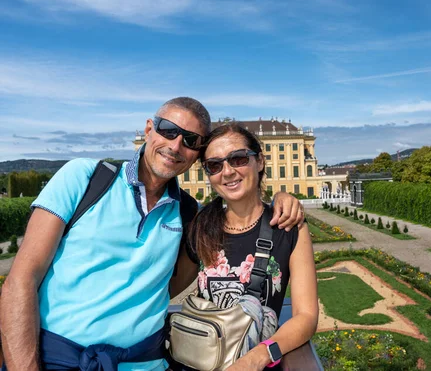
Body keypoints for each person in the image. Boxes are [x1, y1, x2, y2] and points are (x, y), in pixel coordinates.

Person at [0, 97, 304, 371]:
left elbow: (169, 287)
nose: (175, 145)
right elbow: (20, 280)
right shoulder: (84, 178)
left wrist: (282, 198)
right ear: (149, 129)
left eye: (189, 140)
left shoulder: (188, 213)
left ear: (196, 154)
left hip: (146, 362)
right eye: (168, 130)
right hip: (59, 359)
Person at [180, 123, 318, 370]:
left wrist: (256, 359)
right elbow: (164, 288)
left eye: (239, 159)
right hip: (199, 360)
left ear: (260, 162)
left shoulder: (288, 227)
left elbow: (306, 317)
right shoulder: (200, 226)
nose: (228, 172)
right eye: (214, 165)